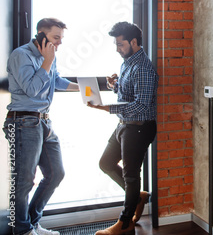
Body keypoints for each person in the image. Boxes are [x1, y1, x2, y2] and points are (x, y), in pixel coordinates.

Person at [3, 18, 79, 235]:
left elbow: (55, 80)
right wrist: (47, 60)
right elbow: (32, 90)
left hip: (43, 121)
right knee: (25, 179)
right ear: (41, 35)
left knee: (56, 174)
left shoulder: (50, 58)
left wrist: (84, 88)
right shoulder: (21, 55)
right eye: (56, 38)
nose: (60, 43)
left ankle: (32, 224)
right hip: (23, 122)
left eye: (61, 39)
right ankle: (22, 230)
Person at [87, 22, 158, 235]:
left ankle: (125, 223)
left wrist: (104, 107)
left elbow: (141, 105)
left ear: (133, 42)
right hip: (124, 125)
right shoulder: (127, 62)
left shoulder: (143, 67)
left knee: (131, 176)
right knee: (106, 163)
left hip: (138, 127)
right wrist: (114, 86)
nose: (117, 48)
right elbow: (128, 93)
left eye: (120, 44)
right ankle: (138, 197)